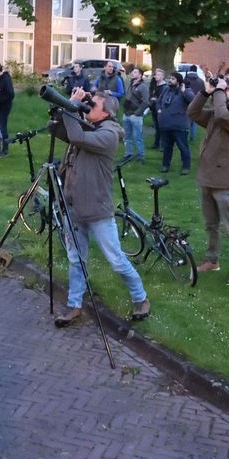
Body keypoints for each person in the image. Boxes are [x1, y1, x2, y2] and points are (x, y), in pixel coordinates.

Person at [52, 88, 150, 326]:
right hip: (73, 205)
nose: (87, 108)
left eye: (91, 105)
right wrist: (62, 107)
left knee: (115, 259)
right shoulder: (90, 127)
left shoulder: (109, 134)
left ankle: (141, 297)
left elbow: (76, 137)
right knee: (76, 259)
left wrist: (71, 107)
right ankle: (74, 305)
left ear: (106, 113)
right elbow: (58, 129)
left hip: (97, 209)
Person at [187, 78, 229, 287]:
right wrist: (205, 93)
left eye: (226, 90)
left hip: (225, 181)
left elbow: (224, 115)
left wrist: (219, 91)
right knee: (210, 224)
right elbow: (193, 113)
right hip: (207, 178)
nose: (220, 93)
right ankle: (212, 260)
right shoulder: (217, 113)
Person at [156, 72, 193, 174]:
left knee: (183, 147)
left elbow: (193, 101)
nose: (170, 80)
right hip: (166, 124)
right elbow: (158, 102)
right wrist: (159, 109)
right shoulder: (166, 90)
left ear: (178, 81)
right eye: (170, 78)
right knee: (167, 147)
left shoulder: (185, 91)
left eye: (172, 79)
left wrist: (184, 91)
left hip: (179, 125)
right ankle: (165, 165)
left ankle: (186, 167)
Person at [122, 67, 149, 162]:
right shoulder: (130, 84)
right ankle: (128, 154)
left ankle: (141, 156)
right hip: (126, 113)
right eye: (133, 72)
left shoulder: (143, 86)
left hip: (135, 115)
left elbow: (146, 102)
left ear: (140, 75)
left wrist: (137, 113)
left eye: (135, 72)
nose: (133, 73)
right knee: (127, 136)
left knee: (137, 137)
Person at [0, 61, 15, 157]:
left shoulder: (5, 79)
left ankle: (5, 149)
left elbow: (10, 94)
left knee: (2, 127)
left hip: (4, 107)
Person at [148, 68, 165, 150]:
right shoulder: (155, 85)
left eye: (158, 75)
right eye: (155, 74)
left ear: (162, 76)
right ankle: (156, 143)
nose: (156, 76)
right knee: (157, 127)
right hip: (154, 109)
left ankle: (162, 145)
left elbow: (164, 99)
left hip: (160, 110)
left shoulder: (164, 87)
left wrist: (156, 99)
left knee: (161, 127)